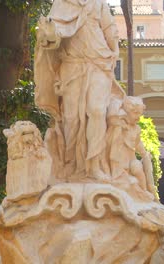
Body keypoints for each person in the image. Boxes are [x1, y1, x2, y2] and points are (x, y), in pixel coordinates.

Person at [35, 0, 123, 181]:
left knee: (97, 110)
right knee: (71, 117)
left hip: (99, 61)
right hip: (72, 64)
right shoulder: (62, 3)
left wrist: (114, 50)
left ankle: (94, 165)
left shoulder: (98, 2)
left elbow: (109, 27)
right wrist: (48, 35)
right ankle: (70, 165)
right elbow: (51, 37)